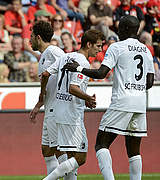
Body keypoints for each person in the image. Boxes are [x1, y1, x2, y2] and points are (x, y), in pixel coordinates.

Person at [63, 15, 155, 180]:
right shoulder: (146, 50)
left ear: (126, 29)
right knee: (134, 150)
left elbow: (101, 73)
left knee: (101, 144)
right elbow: (149, 82)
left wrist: (78, 69)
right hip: (141, 103)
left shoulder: (117, 47)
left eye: (120, 28)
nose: (118, 31)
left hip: (122, 101)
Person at [41, 29, 103, 180]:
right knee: (80, 158)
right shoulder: (82, 62)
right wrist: (88, 97)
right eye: (98, 46)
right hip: (71, 115)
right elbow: (73, 88)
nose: (100, 49)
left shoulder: (66, 56)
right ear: (89, 44)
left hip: (58, 111)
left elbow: (45, 74)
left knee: (69, 156)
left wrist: (42, 95)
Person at [28, 20, 66, 177]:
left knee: (58, 150)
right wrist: (38, 105)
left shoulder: (53, 52)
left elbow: (69, 64)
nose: (29, 40)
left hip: (57, 108)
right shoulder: (44, 57)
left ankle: (71, 176)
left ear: (38, 37)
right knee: (47, 150)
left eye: (31, 36)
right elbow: (47, 85)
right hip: (49, 107)